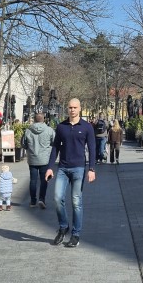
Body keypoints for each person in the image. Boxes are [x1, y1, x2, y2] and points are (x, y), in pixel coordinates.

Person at [46, 98, 97, 248]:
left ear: (80, 108)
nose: (72, 110)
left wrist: (92, 169)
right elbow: (55, 148)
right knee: (57, 198)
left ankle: (75, 234)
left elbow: (92, 149)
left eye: (75, 107)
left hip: (78, 168)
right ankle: (63, 227)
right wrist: (50, 167)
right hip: (62, 168)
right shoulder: (62, 127)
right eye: (70, 107)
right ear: (67, 109)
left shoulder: (87, 127)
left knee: (76, 202)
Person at [23, 112, 55, 208]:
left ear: (34, 119)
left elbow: (24, 144)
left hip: (32, 159)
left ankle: (33, 201)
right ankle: (42, 199)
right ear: (44, 119)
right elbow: (54, 142)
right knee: (44, 180)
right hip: (45, 159)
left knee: (33, 180)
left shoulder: (28, 131)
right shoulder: (49, 130)